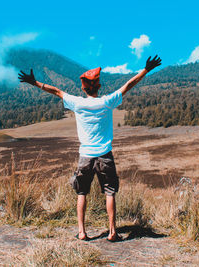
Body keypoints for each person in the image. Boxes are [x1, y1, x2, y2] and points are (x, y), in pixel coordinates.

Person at [18, 55, 162, 241]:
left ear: (83, 88)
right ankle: (112, 232)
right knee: (110, 192)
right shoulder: (107, 102)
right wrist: (146, 70)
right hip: (105, 156)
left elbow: (56, 91)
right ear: (99, 86)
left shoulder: (77, 103)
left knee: (81, 192)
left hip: (85, 156)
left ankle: (82, 232)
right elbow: (128, 85)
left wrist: (34, 82)